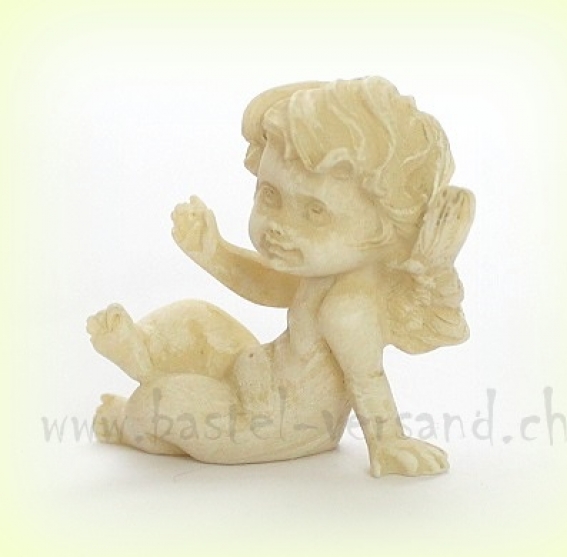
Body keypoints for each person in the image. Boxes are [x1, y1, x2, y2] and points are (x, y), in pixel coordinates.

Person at [87, 77, 474, 476]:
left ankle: (127, 417)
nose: (279, 227)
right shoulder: (324, 273)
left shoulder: (350, 309)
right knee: (196, 318)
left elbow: (367, 379)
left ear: (386, 231)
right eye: (270, 195)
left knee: (160, 402)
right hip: (256, 376)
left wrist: (388, 443)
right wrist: (214, 252)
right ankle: (144, 356)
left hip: (278, 425)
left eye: (315, 212)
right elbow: (272, 286)